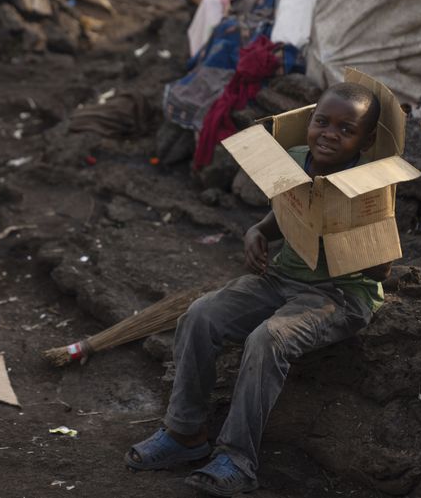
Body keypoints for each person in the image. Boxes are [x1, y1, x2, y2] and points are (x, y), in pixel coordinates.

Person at [125, 82, 393, 496]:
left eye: (346, 129)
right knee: (200, 315)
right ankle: (184, 434)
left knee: (268, 338)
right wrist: (257, 231)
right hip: (281, 277)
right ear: (310, 121)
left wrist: (340, 234)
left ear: (367, 139)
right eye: (322, 122)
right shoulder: (296, 160)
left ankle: (237, 458)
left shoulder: (370, 186)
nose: (329, 134)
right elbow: (282, 214)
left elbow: (382, 270)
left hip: (338, 293)